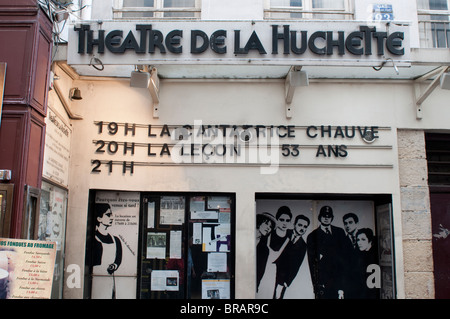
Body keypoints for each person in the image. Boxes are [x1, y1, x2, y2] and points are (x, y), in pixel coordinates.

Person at [307, 205, 347, 299]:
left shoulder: (339, 232)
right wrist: (316, 287)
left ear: (332, 218)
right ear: (319, 217)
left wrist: (342, 287)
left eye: (328, 216)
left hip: (339, 283)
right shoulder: (312, 236)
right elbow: (312, 264)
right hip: (323, 284)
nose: (326, 218)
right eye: (324, 215)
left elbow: (344, 260)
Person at [256, 206, 292, 299]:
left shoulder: (288, 241)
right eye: (282, 220)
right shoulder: (261, 239)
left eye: (270, 226)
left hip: (269, 277)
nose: (268, 228)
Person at [273, 214, 310, 299]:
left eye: (305, 226)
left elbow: (296, 266)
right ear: (294, 224)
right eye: (300, 225)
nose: (302, 228)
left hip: (283, 279)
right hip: (271, 272)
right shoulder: (284, 232)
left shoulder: (303, 246)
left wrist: (287, 282)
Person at [93, 203, 123, 276]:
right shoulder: (94, 239)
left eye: (111, 215)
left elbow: (118, 259)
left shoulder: (116, 240)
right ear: (99, 219)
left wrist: (114, 266)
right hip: (97, 277)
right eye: (108, 215)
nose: (112, 218)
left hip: (110, 278)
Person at [355, 228, 380, 299]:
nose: (359, 242)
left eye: (363, 239)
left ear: (370, 240)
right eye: (358, 240)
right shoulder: (361, 255)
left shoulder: (373, 255)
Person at [256, 212, 276, 291]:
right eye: (266, 223)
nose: (268, 228)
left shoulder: (264, 250)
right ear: (259, 222)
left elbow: (260, 273)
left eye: (270, 227)